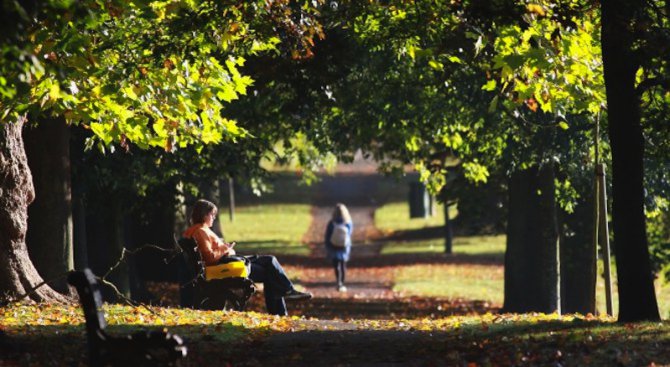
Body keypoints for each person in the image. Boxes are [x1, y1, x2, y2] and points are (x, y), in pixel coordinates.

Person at [183, 199, 311, 316]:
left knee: (270, 264)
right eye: (212, 214)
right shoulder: (201, 231)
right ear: (204, 215)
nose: (214, 217)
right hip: (223, 267)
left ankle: (285, 299)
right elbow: (210, 257)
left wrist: (224, 248)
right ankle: (286, 297)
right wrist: (225, 248)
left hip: (226, 264)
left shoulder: (195, 230)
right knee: (270, 267)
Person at [324, 203, 353, 292]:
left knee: (336, 265)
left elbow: (327, 235)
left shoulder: (332, 223)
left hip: (333, 246)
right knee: (343, 264)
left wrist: (327, 245)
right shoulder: (348, 222)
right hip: (344, 246)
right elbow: (349, 233)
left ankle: (338, 281)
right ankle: (342, 283)